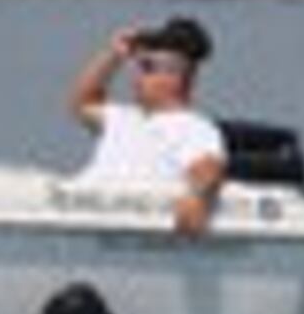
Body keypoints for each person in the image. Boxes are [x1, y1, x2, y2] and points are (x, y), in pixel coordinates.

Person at [66, 13, 227, 235]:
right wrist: (113, 56)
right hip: (85, 209)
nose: (136, 77)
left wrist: (197, 198)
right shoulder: (121, 117)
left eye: (146, 67)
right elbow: (81, 103)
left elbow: (209, 169)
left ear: (175, 76)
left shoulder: (193, 128)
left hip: (123, 222)